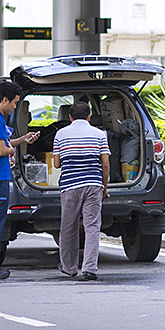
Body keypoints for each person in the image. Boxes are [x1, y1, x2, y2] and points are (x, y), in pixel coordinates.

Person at [0, 81, 39, 281]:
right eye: (14, 103)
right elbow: (2, 149)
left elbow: (2, 142)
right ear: (4, 100)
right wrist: (15, 151)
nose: (15, 107)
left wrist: (22, 140)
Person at [53, 101, 110, 281]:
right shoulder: (99, 134)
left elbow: (56, 163)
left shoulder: (60, 134)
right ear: (89, 116)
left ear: (69, 117)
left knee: (68, 227)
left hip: (70, 186)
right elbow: (105, 164)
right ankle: (90, 268)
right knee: (92, 226)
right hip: (94, 184)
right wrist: (104, 187)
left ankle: (69, 268)